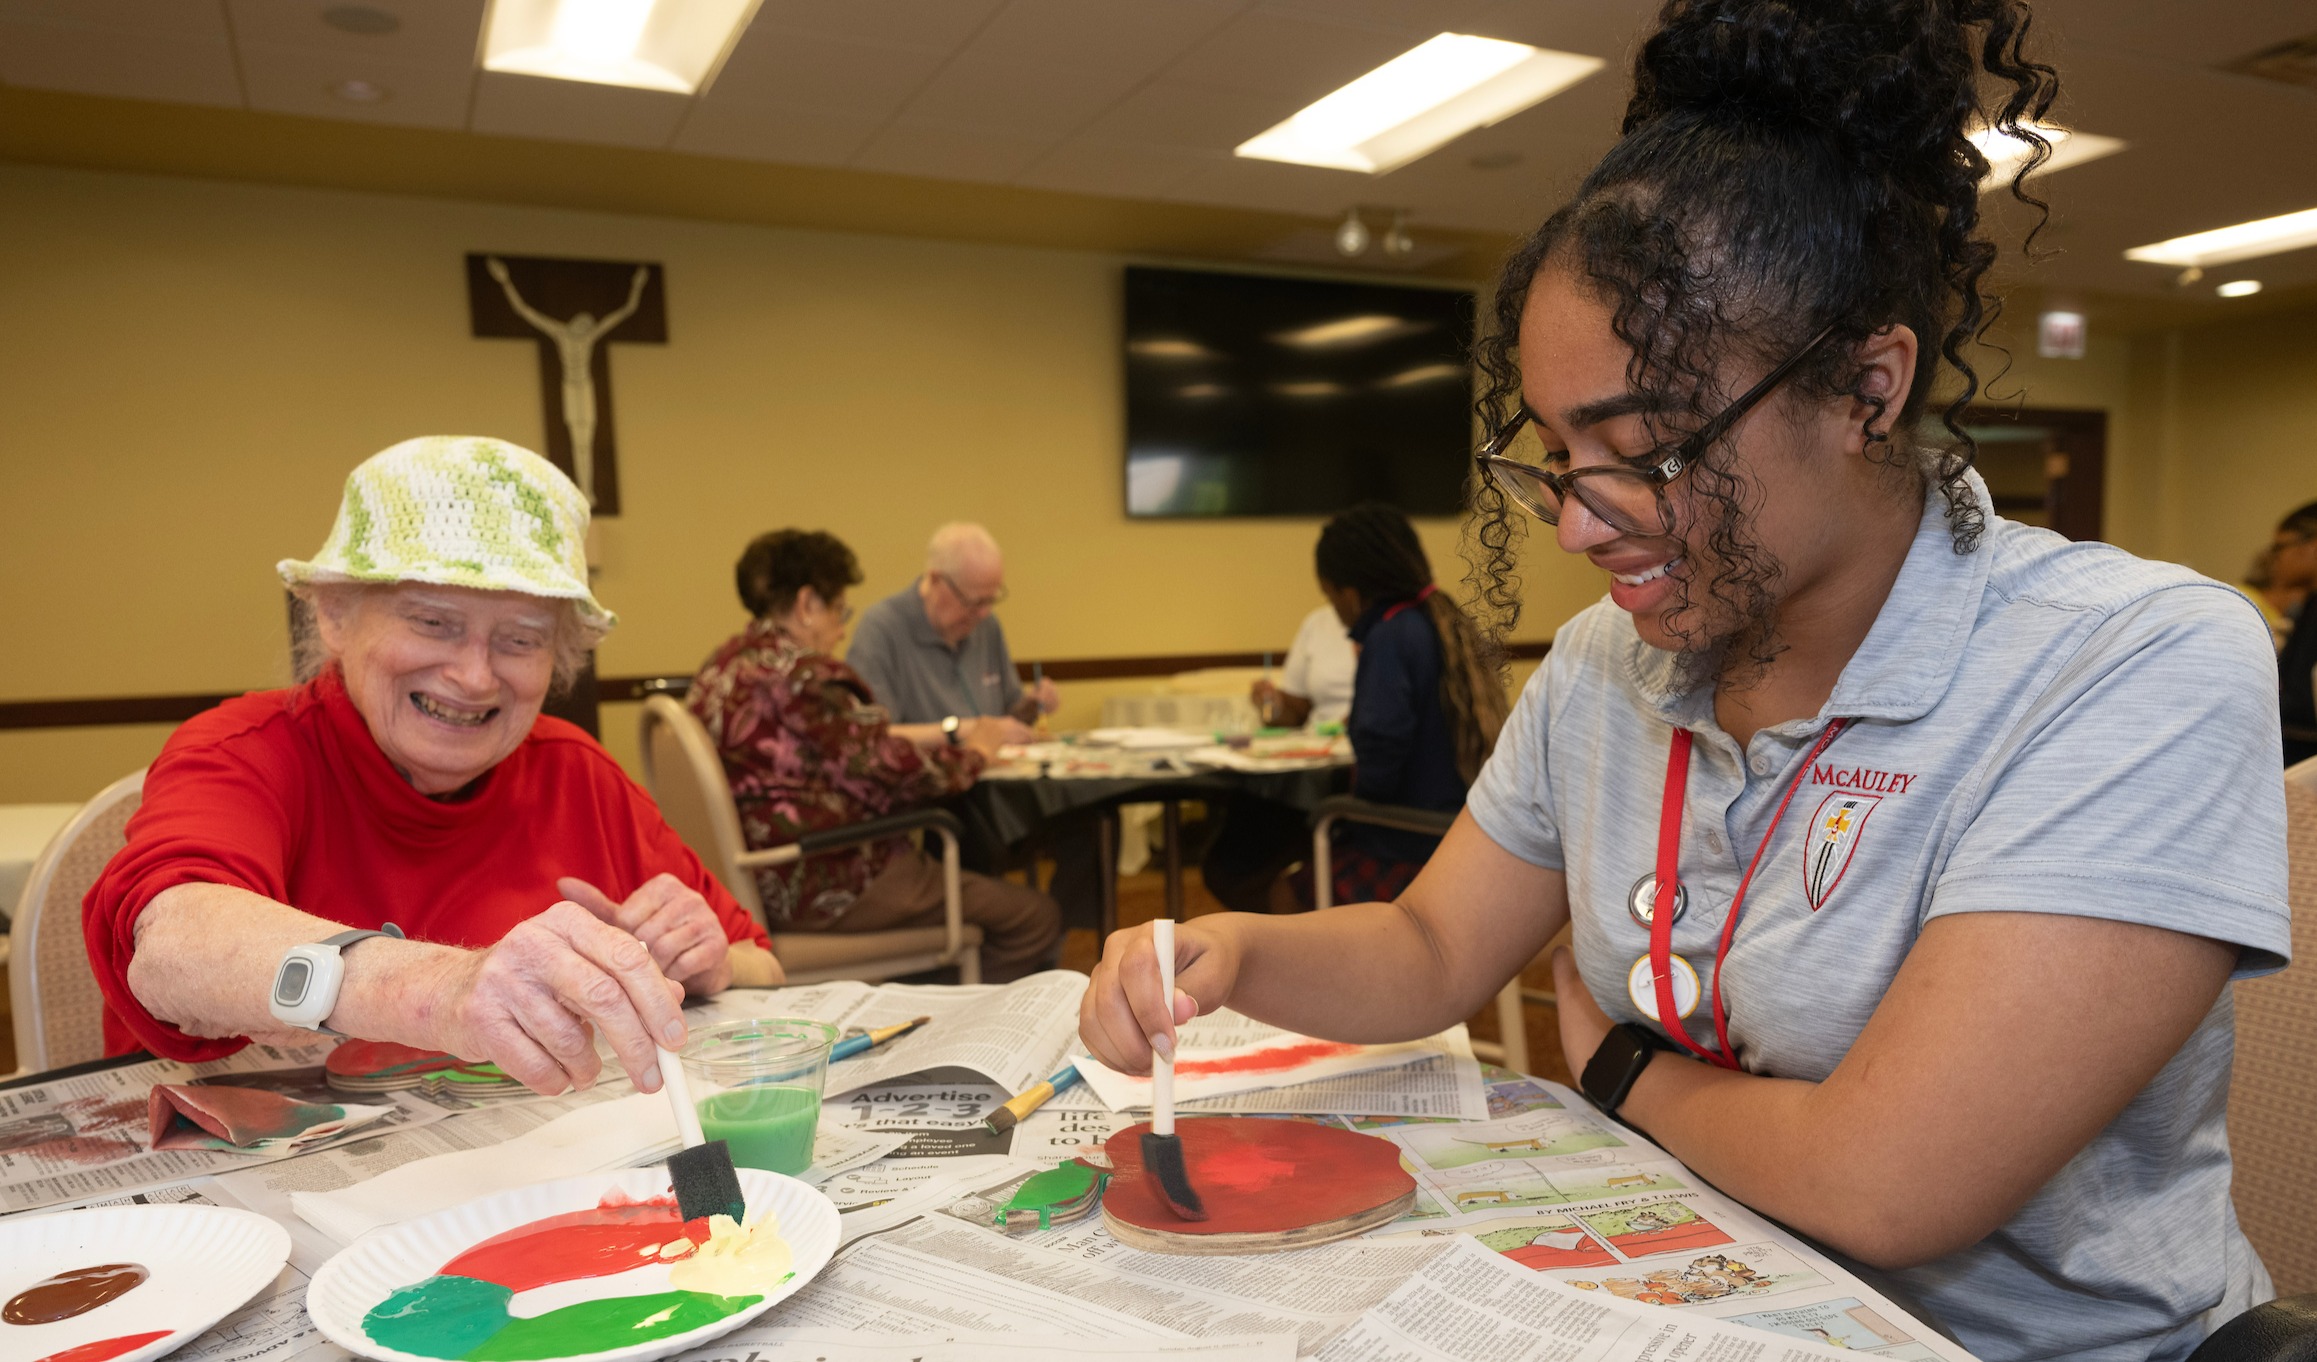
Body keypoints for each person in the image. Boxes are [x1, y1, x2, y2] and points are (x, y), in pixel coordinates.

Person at [1080, 5, 2291, 1362]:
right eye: (1550, 452)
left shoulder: (2132, 661)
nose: (1576, 523)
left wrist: (1615, 1064)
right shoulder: (1610, 663)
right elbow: (1431, 949)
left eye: (1644, 451)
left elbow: (1882, 1182)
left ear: (1867, 389)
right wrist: (1235, 950)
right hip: (1701, 1281)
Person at [86, 437, 777, 1099]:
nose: (474, 676)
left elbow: (762, 964)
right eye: (431, 622)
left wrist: (711, 963)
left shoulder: (577, 773)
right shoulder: (244, 751)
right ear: (334, 614)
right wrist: (440, 991)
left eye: (519, 639)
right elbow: (168, 949)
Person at [687, 530, 1063, 981]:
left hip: (751, 877)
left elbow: (847, 753)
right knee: (1034, 917)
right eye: (839, 610)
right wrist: (978, 751)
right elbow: (897, 776)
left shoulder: (720, 668)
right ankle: (960, 1019)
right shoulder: (809, 679)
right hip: (832, 878)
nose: (843, 628)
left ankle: (936, 993)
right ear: (807, 604)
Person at [1202, 506, 1508, 912]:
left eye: (1330, 597)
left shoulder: (1389, 638)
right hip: (1457, 832)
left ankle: (1331, 969)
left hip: (1405, 842)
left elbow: (1378, 769)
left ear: (1348, 593)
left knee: (1262, 878)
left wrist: (1344, 803)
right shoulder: (1439, 620)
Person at [847, 523, 1059, 729]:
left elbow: (1008, 716)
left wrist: (1033, 705)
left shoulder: (988, 626)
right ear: (935, 580)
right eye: (974, 601)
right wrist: (958, 733)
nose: (984, 612)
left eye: (991, 600)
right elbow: (876, 737)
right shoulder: (880, 628)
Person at [2264, 502, 2317, 763]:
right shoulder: (2308, 605)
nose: (2275, 559)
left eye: (2280, 548)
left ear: (2313, 545)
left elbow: (2303, 698)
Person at [1251, 601, 1357, 730]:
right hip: (1319, 743)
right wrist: (1274, 707)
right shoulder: (1317, 623)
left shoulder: (1386, 624)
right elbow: (1296, 713)